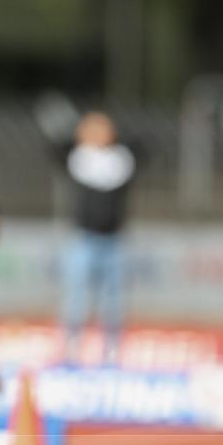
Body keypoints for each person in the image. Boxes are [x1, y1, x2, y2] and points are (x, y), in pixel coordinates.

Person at [60, 111, 135, 363]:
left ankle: (111, 352)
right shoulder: (79, 158)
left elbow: (143, 147)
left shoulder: (121, 160)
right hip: (83, 238)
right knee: (76, 297)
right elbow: (55, 147)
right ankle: (71, 349)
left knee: (112, 300)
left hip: (114, 239)